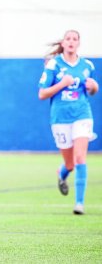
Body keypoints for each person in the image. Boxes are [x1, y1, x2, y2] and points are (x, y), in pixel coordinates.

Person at [38, 30, 99, 215]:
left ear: (78, 43)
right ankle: (62, 173)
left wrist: (94, 87)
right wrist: (62, 84)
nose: (71, 42)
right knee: (70, 164)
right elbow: (42, 94)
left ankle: (79, 204)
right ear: (63, 43)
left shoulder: (87, 65)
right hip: (60, 118)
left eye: (75, 39)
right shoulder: (54, 65)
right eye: (68, 39)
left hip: (82, 114)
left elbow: (92, 91)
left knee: (81, 158)